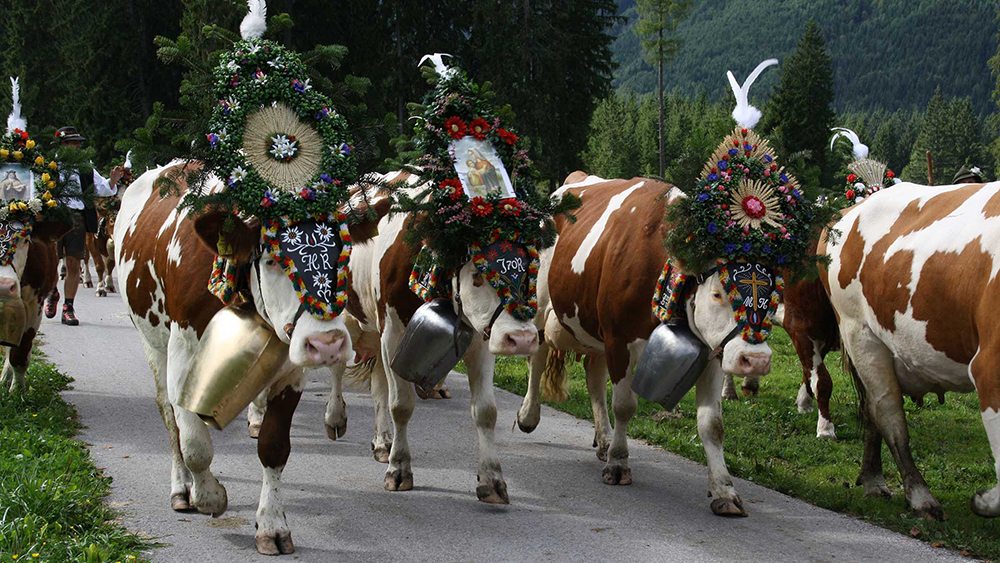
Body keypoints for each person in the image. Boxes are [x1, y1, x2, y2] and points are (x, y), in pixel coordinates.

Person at [44, 126, 122, 325]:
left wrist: (112, 181)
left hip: (77, 217)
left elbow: (102, 187)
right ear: (62, 145)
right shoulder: (49, 164)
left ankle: (68, 307)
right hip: (55, 215)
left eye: (78, 142)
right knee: (52, 261)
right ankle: (52, 293)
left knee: (73, 263)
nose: (77, 146)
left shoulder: (85, 166)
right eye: (72, 142)